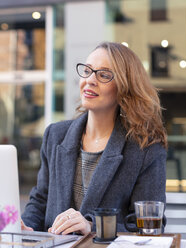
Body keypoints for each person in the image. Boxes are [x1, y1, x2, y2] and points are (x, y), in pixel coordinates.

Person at [21, 41, 168, 235]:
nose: (90, 80)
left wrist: (92, 227)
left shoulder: (145, 148)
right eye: (88, 70)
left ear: (124, 87)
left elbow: (146, 227)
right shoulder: (55, 135)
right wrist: (26, 227)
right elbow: (40, 200)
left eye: (104, 75)